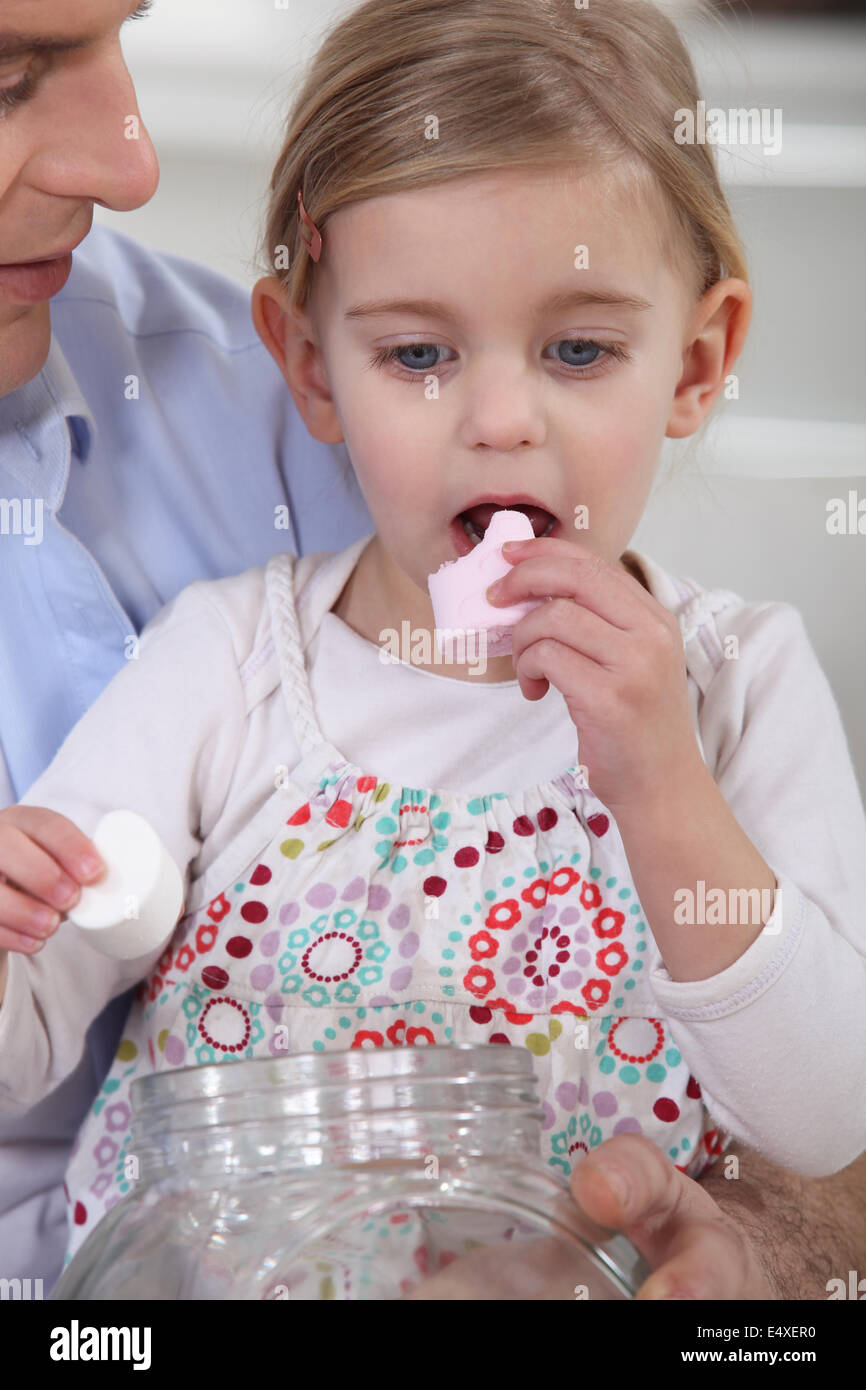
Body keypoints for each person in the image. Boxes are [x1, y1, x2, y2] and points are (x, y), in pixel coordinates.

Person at [0, 0, 863, 1302]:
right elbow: (32, 1032)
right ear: (306, 363)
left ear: (697, 362)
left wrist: (661, 786)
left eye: (579, 349)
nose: (500, 420)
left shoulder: (739, 679)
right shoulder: (221, 661)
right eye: (417, 354)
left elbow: (824, 1115)